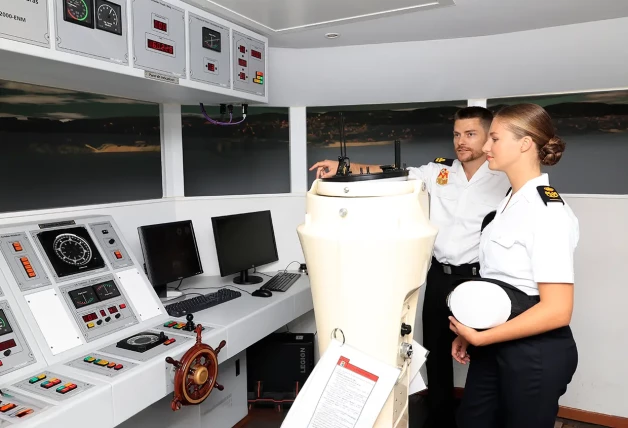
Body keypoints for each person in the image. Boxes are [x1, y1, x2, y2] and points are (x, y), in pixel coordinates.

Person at [310, 107, 511, 428]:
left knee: (485, 357)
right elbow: (393, 171)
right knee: (437, 352)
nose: (461, 141)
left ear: (489, 137)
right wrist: (342, 166)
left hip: (480, 280)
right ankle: (441, 419)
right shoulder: (441, 171)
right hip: (439, 277)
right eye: (457, 134)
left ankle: (479, 420)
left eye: (470, 134)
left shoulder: (504, 178)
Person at [449, 103, 579, 428]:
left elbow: (558, 310)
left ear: (524, 144)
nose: (486, 147)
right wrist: (475, 329)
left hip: (534, 353)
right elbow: (501, 282)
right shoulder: (507, 203)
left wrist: (483, 338)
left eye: (494, 138)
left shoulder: (546, 212)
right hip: (495, 343)